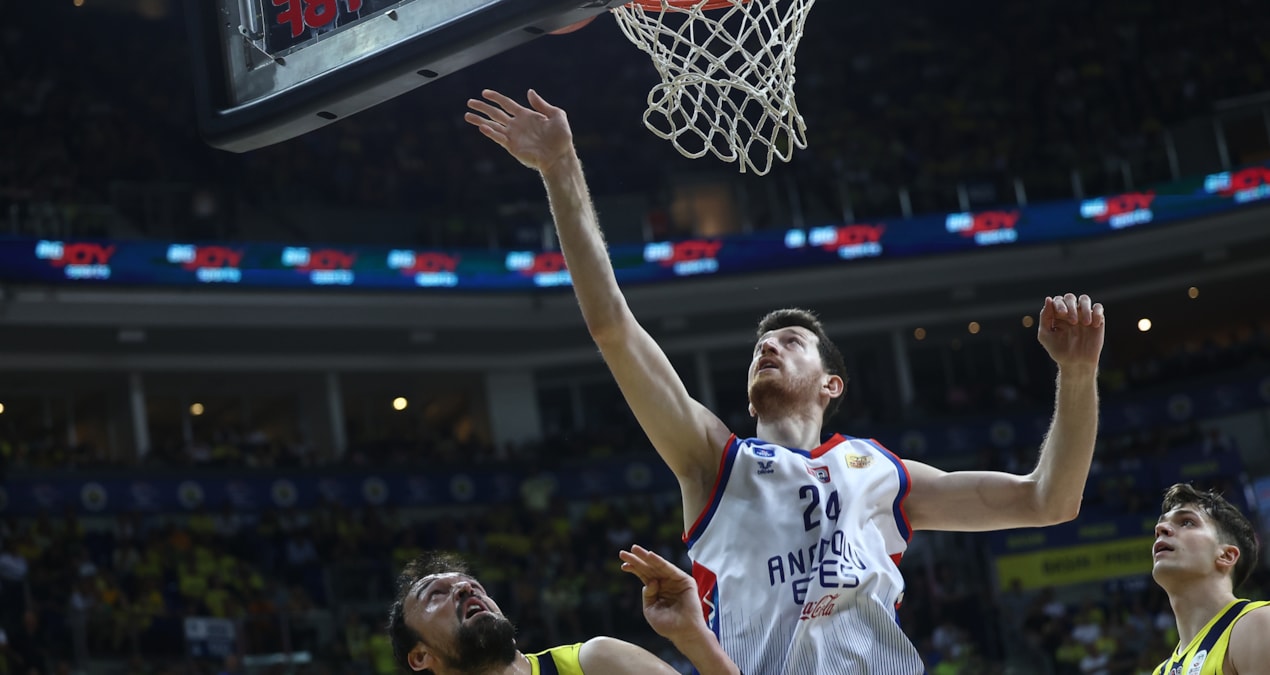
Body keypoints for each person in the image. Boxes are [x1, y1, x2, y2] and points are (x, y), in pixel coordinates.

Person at [465, 88, 1107, 674]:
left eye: (791, 341)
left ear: (832, 385)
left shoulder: (882, 473)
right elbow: (613, 328)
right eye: (760, 346)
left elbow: (1048, 501)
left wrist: (1077, 374)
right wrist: (561, 168)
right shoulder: (714, 462)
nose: (768, 345)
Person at [387, 547, 739, 674]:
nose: (466, 588)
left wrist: (692, 637)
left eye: (473, 584)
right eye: (435, 595)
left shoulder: (597, 663)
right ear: (419, 656)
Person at [1150, 483, 1268, 675]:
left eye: (1187, 522)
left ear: (1226, 555)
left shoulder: (1258, 624)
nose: (1160, 528)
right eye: (1161, 524)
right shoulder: (1161, 672)